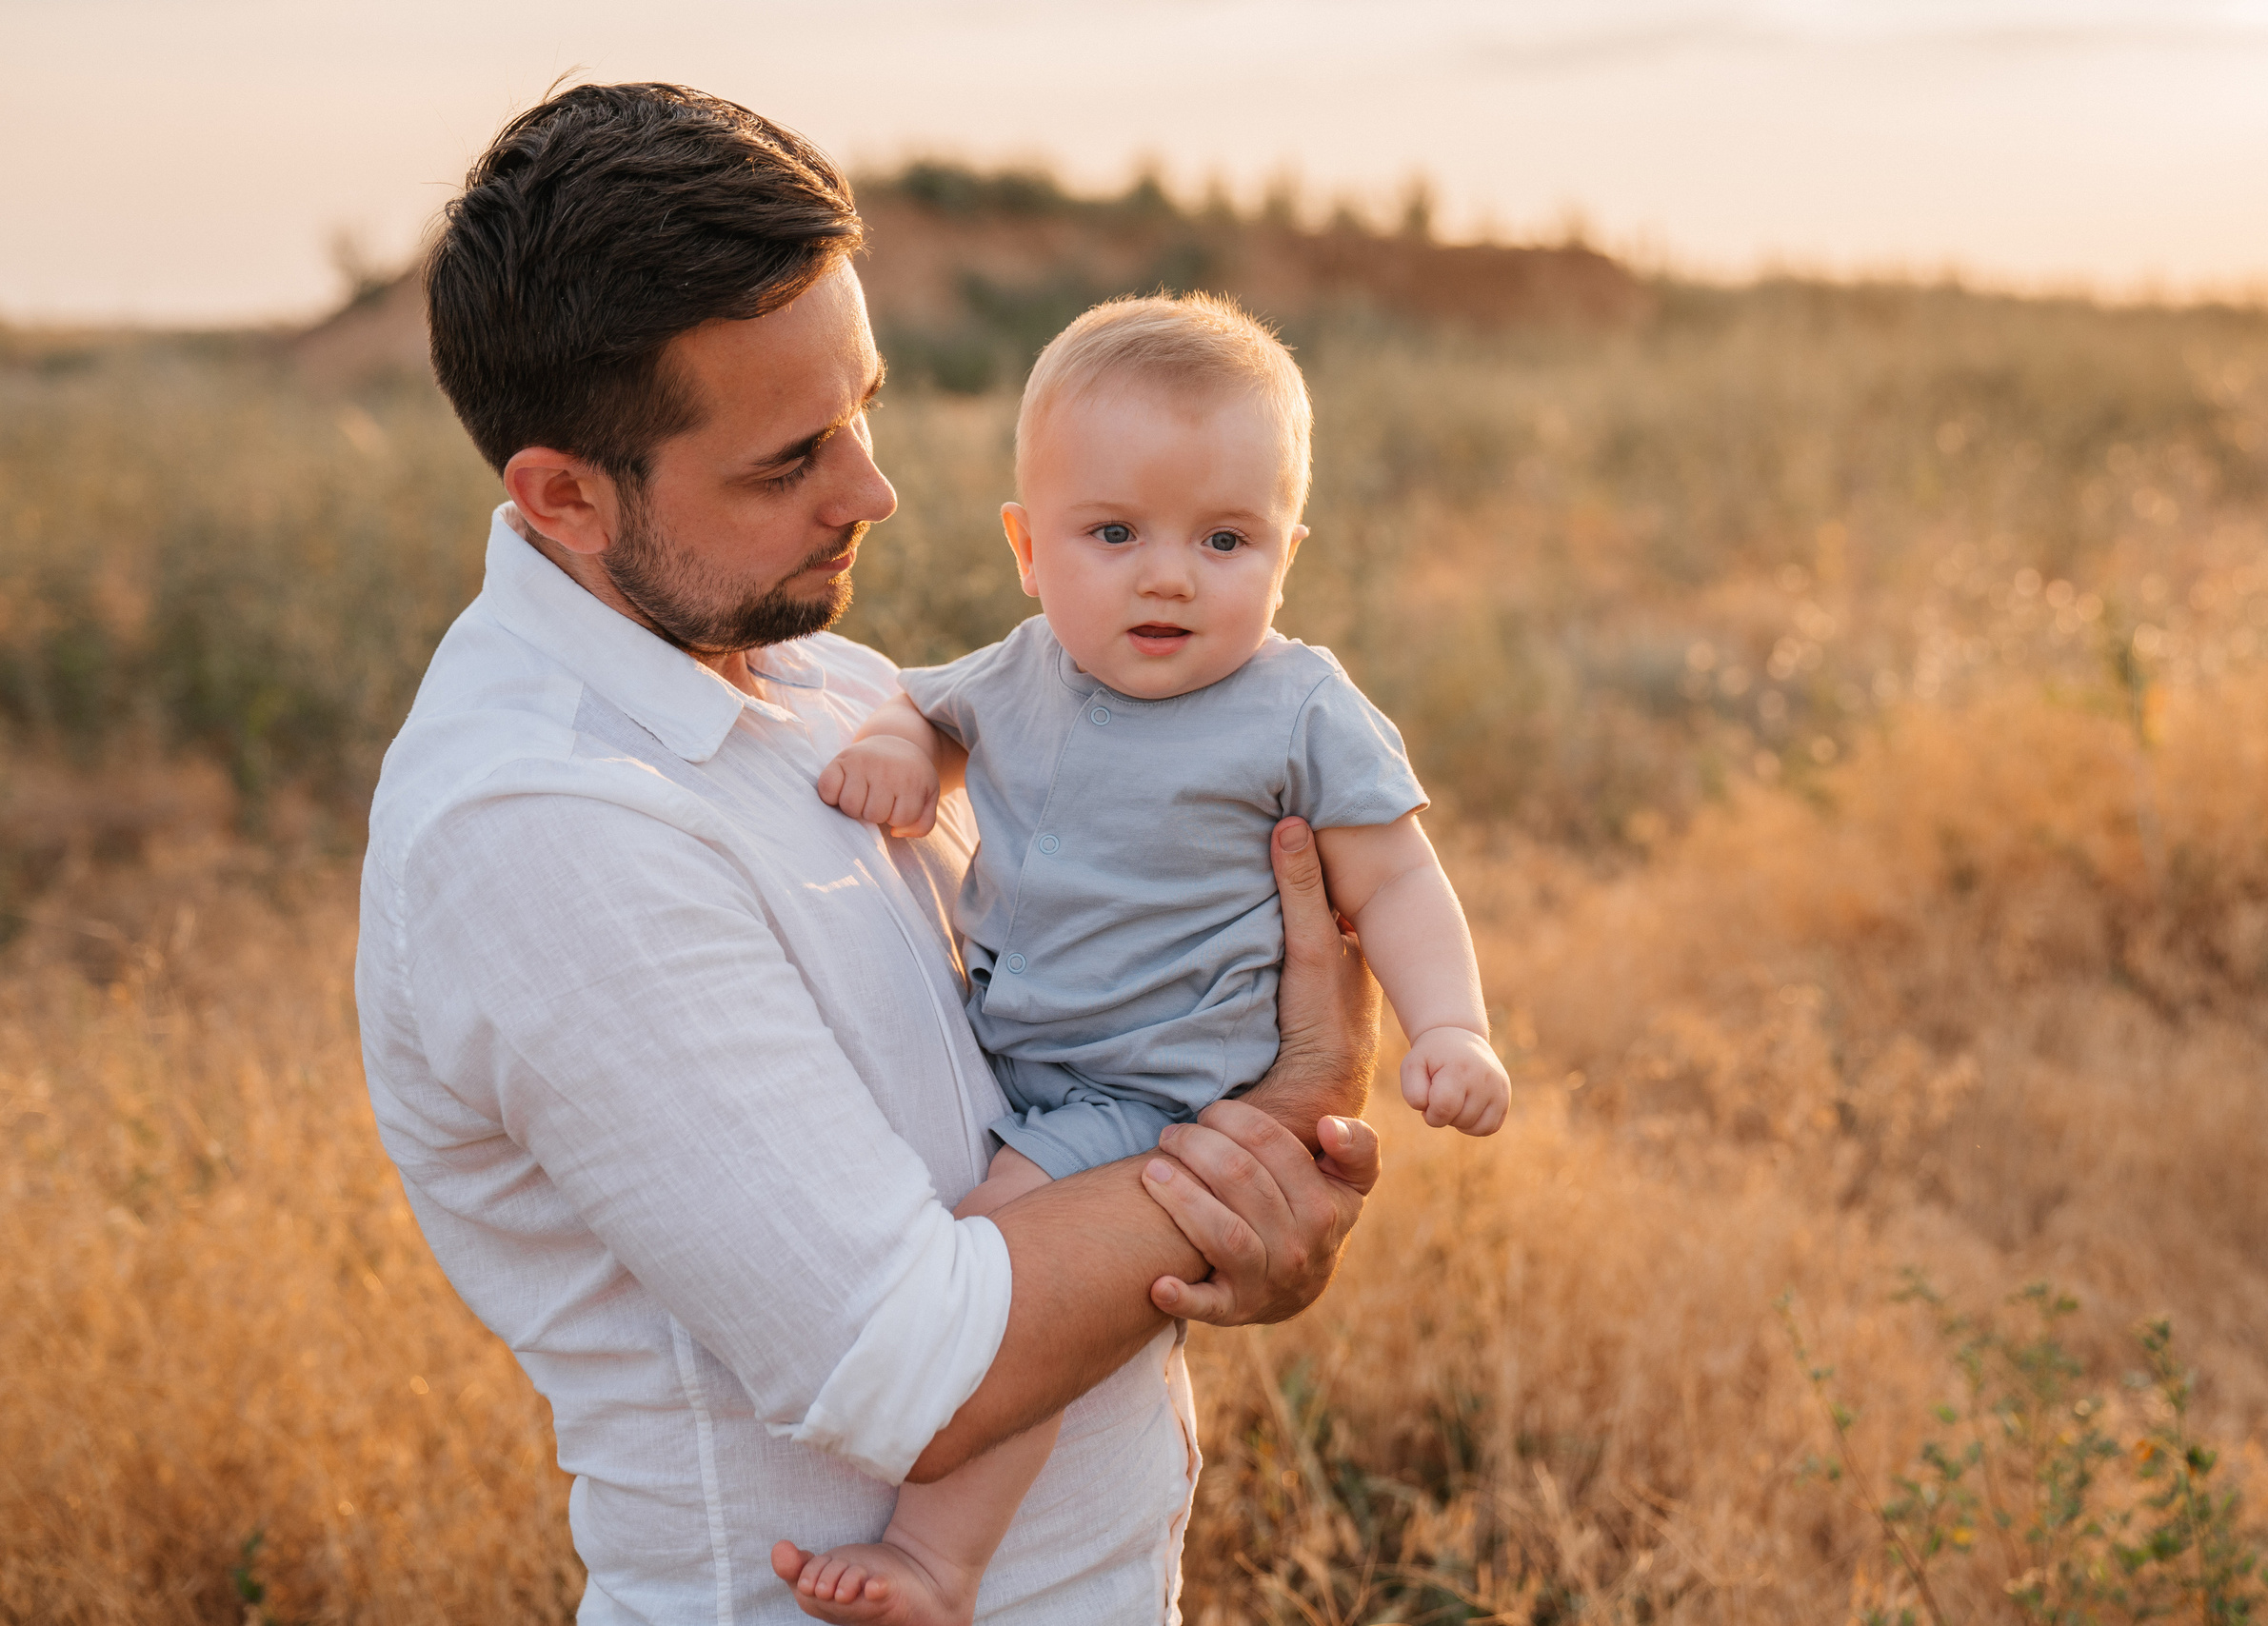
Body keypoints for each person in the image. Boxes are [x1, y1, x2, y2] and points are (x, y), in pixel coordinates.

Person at [353, 82, 1383, 1626]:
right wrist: (1280, 1121)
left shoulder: (830, 682)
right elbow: (914, 1369)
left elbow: (1065, 1094)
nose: (876, 492)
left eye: (866, 406)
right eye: (790, 460)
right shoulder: (541, 830)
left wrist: (1263, 1233)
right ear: (563, 495)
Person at [787, 293, 1509, 1623]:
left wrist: (1451, 1029)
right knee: (1014, 1289)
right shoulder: (1020, 673)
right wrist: (902, 752)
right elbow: (921, 705)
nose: (1167, 574)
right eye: (1113, 533)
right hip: (1036, 1065)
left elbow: (1397, 875)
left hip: (1157, 1093)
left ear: (1288, 552)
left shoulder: (1299, 706)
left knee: (993, 1292)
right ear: (1026, 547)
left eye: (1224, 538)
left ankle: (935, 1560)